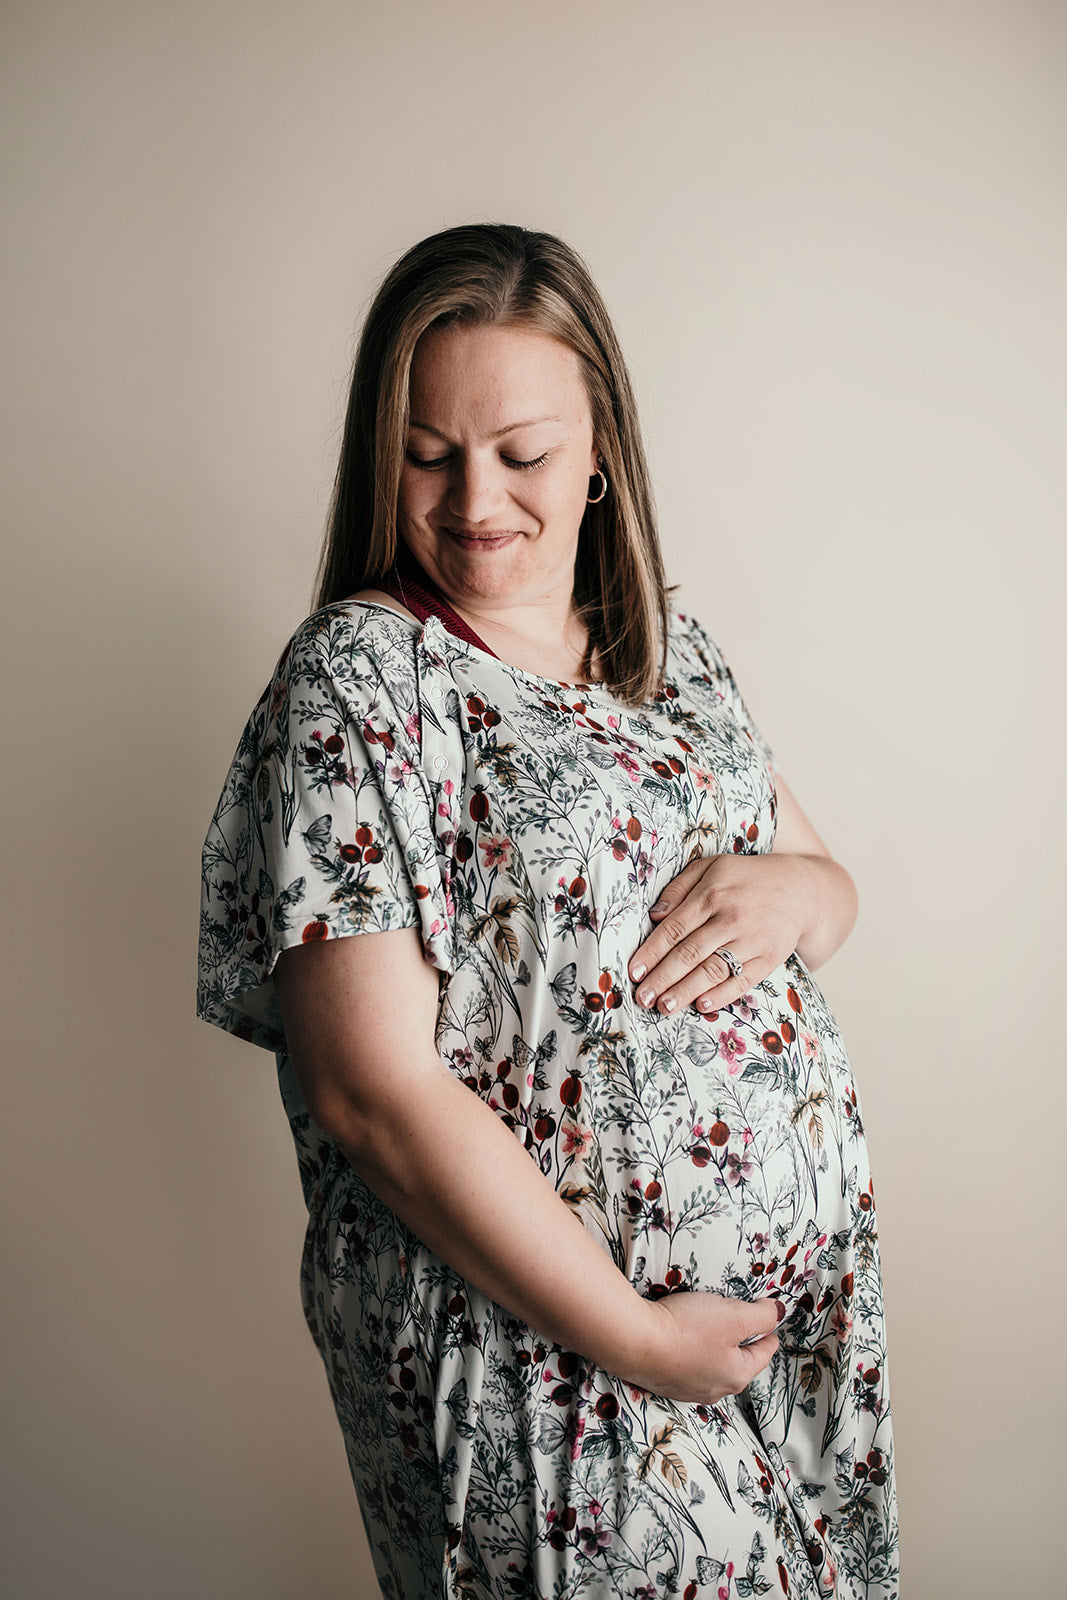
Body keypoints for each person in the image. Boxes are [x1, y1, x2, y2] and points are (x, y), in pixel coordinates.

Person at [197, 224, 898, 1599]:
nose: (476, 500)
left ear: (600, 455)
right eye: (428, 454)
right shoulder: (364, 678)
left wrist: (796, 889)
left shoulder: (668, 654)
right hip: (548, 1355)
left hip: (791, 1343)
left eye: (521, 454)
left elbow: (829, 893)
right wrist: (636, 1337)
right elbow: (370, 1094)